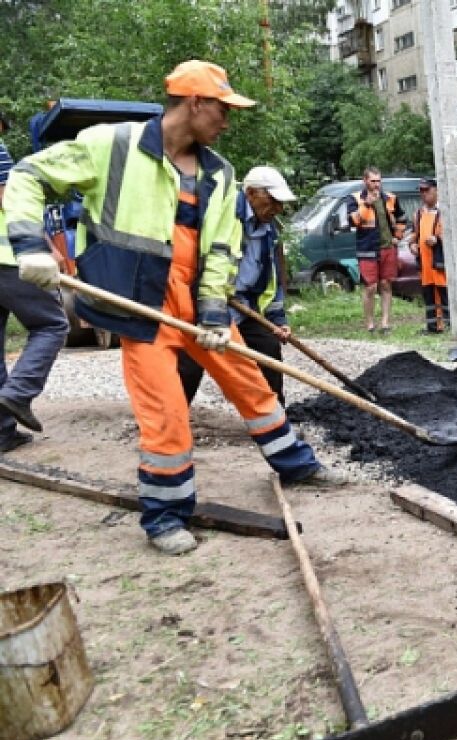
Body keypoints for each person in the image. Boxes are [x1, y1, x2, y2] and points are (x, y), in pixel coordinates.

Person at [5, 60, 346, 557]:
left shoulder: (221, 174)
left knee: (249, 382)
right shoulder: (112, 145)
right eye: (223, 110)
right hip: (141, 308)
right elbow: (28, 175)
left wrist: (211, 314)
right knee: (165, 412)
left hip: (196, 304)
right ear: (195, 103)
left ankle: (297, 466)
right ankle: (165, 515)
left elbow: (223, 250)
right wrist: (29, 245)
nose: (227, 122)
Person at [179, 165, 294, 405]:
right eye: (273, 201)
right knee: (190, 362)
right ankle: (169, 421)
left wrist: (278, 320)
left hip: (244, 307)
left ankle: (277, 419)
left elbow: (270, 281)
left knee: (268, 347)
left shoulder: (269, 230)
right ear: (251, 193)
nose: (278, 209)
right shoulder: (223, 215)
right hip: (208, 302)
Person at [0, 135, 69, 452]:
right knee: (51, 324)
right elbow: (8, 200)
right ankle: (17, 394)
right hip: (9, 257)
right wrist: (46, 247)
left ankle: (2, 432)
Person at [347, 166, 406, 334]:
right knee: (370, 287)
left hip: (388, 247)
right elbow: (354, 222)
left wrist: (398, 237)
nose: (376, 184)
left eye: (379, 181)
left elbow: (402, 218)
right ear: (365, 181)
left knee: (386, 284)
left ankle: (385, 322)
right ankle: (370, 323)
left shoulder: (390, 198)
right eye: (373, 181)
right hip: (367, 249)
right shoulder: (355, 199)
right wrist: (366, 204)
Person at [410, 177, 447, 334]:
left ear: (436, 190)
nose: (424, 194)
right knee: (429, 298)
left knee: (443, 296)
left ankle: (447, 325)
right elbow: (413, 236)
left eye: (427, 190)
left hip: (439, 264)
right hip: (425, 266)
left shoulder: (444, 213)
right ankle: (432, 327)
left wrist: (437, 239)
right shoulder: (418, 214)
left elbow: (451, 237)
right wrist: (412, 245)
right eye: (421, 191)